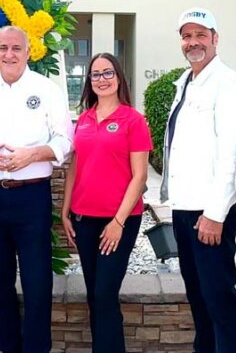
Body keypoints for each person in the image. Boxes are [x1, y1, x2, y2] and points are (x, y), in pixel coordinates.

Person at [0, 25, 73, 353]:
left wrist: (32, 155)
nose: (9, 54)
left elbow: (64, 141)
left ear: (28, 52)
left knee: (37, 280)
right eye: (3, 48)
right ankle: (8, 346)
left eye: (16, 48)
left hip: (31, 196)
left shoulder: (47, 90)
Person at [160, 7, 236, 353]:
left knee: (218, 299)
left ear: (215, 39)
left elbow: (233, 155)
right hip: (185, 209)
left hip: (210, 214)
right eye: (187, 36)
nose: (193, 42)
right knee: (198, 297)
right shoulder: (187, 82)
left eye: (201, 35)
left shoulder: (228, 85)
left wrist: (215, 214)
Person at [61, 53, 152, 353]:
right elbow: (75, 166)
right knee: (94, 294)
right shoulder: (84, 120)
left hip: (119, 221)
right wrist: (65, 210)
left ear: (119, 77)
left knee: (104, 293)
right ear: (89, 81)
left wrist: (118, 222)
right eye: (95, 74)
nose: (102, 79)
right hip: (84, 220)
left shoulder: (133, 120)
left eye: (107, 73)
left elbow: (140, 176)